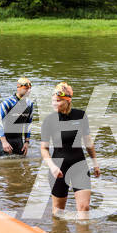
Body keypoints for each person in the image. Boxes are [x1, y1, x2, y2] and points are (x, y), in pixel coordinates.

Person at [40, 82, 100, 220]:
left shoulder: (80, 115)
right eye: (53, 100)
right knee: (58, 212)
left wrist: (95, 163)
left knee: (84, 208)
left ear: (68, 100)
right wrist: (52, 167)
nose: (54, 103)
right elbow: (44, 148)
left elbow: (88, 143)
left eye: (58, 100)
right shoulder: (49, 120)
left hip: (79, 165)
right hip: (58, 169)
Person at [0, 77, 34, 156]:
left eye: (30, 88)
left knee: (21, 162)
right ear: (18, 87)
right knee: (5, 163)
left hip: (19, 141)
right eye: (26, 88)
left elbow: (28, 124)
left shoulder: (29, 104)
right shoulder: (7, 102)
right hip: (5, 140)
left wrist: (26, 142)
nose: (29, 91)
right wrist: (4, 141)